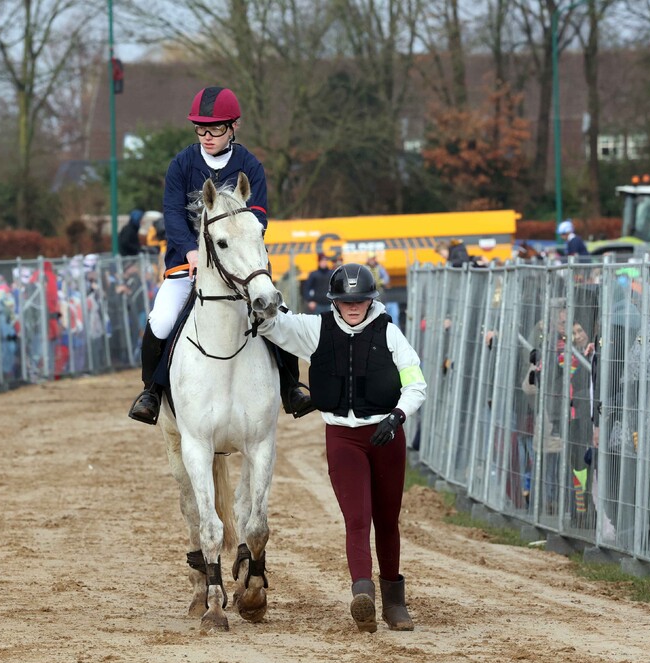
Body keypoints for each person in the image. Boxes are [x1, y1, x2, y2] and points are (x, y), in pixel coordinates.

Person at [258, 263, 427, 632]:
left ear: (371, 300)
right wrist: (261, 295)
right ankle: (362, 594)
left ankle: (394, 602)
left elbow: (416, 383)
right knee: (357, 518)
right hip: (343, 437)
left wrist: (397, 416)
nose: (353, 306)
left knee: (387, 521)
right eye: (346, 301)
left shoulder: (391, 333)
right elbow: (273, 327)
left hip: (386, 436)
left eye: (360, 300)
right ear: (334, 301)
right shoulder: (315, 329)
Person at [128, 86, 312, 424]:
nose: (207, 137)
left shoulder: (250, 165)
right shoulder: (182, 164)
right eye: (201, 129)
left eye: (215, 129)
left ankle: (291, 388)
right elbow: (172, 214)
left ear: (233, 126)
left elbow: (258, 217)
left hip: (242, 268)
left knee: (277, 313)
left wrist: (237, 251)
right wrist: (191, 252)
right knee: (162, 319)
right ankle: (150, 392)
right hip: (187, 264)